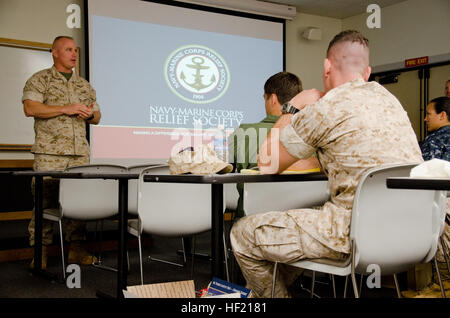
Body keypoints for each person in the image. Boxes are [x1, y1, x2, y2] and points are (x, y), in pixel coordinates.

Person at [230, 30, 423, 298]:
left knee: (242, 234)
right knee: (303, 220)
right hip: (415, 229)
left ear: (326, 67)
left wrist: (292, 108)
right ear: (366, 72)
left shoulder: (326, 106)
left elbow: (267, 163)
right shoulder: (390, 100)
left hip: (353, 232)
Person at [22, 36, 101, 269]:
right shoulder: (40, 79)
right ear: (55, 52)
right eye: (68, 49)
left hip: (79, 155)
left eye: (75, 50)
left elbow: (97, 116)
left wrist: (89, 114)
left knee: (79, 204)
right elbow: (30, 108)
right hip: (50, 153)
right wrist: (65, 108)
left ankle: (76, 250)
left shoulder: (84, 85)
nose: (74, 53)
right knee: (44, 203)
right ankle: (41, 252)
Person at [227, 72, 319, 217]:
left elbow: (221, 168)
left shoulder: (243, 133)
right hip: (303, 219)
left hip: (253, 219)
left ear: (273, 99)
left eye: (265, 98)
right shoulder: (314, 136)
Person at [420, 96, 450, 265]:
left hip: (441, 202)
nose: (425, 119)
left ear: (442, 115)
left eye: (429, 114)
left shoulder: (434, 140)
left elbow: (420, 174)